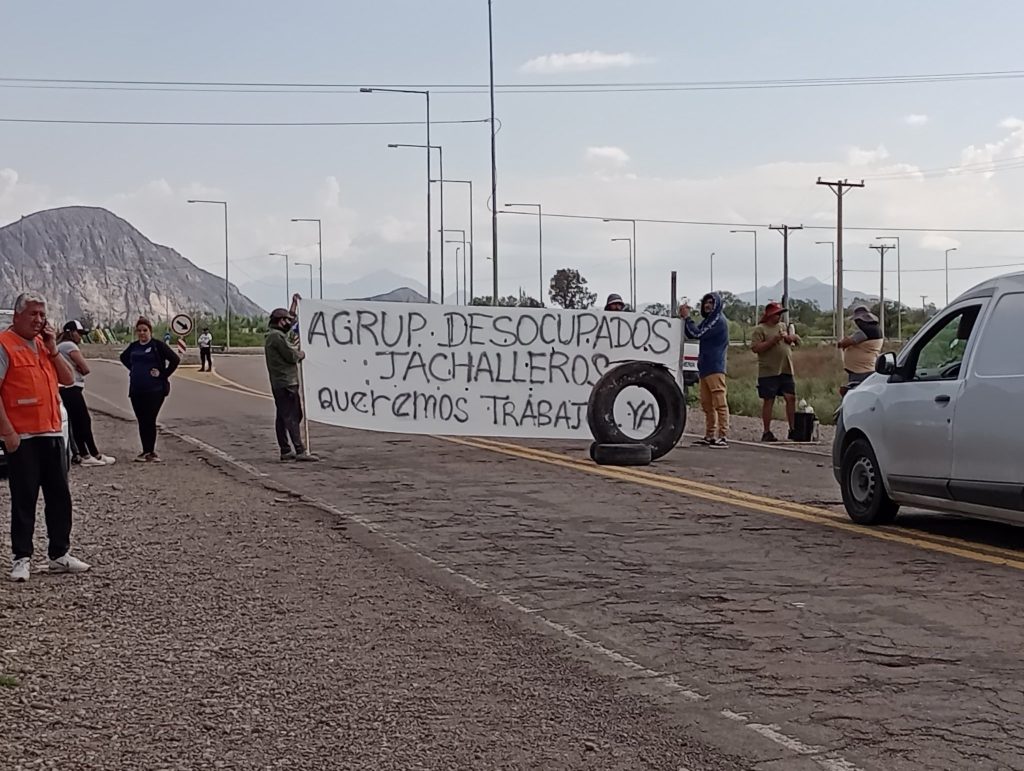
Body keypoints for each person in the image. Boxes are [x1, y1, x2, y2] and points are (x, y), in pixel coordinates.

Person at [0, 292, 91, 582]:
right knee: (25, 498)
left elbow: (67, 379)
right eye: (33, 314)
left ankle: (59, 554)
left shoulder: (44, 345)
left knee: (59, 496)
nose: (39, 320)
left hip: (52, 432)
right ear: (18, 316)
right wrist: (8, 433)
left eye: (42, 314)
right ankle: (21, 558)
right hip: (23, 436)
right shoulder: (5, 345)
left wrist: (52, 349)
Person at [265, 294, 318, 462]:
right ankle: (299, 449)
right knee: (292, 416)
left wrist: (294, 305)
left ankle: (286, 450)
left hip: (281, 383)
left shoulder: (275, 335)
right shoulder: (277, 337)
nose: (290, 323)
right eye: (286, 320)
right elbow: (291, 356)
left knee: (283, 416)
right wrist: (301, 354)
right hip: (286, 383)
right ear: (280, 321)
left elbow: (291, 321)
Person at [119, 317, 180, 462]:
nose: (142, 333)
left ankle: (151, 452)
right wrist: (134, 370)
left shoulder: (157, 346)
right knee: (141, 420)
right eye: (139, 330)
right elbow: (123, 357)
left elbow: (175, 360)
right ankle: (145, 450)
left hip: (155, 389)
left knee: (149, 419)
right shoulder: (134, 347)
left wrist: (162, 374)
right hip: (136, 389)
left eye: (145, 330)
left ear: (150, 331)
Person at [58, 320, 115, 467]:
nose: (80, 337)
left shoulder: (59, 347)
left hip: (64, 388)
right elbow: (85, 368)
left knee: (77, 422)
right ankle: (90, 454)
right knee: (83, 421)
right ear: (70, 332)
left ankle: (86, 454)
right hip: (72, 387)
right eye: (79, 333)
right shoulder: (69, 346)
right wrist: (78, 366)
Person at [679, 293, 729, 448]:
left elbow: (697, 333)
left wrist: (687, 318)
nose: (707, 305)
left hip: (715, 366)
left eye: (711, 302)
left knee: (719, 402)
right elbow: (691, 332)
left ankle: (723, 435)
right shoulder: (709, 320)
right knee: (707, 404)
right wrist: (684, 319)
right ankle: (710, 434)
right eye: (706, 302)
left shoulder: (718, 321)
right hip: (705, 367)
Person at [750, 301, 800, 442]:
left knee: (790, 398)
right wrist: (772, 341)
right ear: (770, 315)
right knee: (769, 400)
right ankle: (767, 431)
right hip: (769, 370)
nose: (779, 316)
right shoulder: (760, 329)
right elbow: (755, 348)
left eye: (780, 314)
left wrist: (792, 338)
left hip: (786, 368)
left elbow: (797, 340)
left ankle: (793, 429)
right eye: (777, 314)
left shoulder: (784, 327)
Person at [838, 305, 884, 386]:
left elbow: (843, 344)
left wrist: (844, 341)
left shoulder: (865, 332)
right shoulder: (876, 330)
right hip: (867, 369)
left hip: (860, 373)